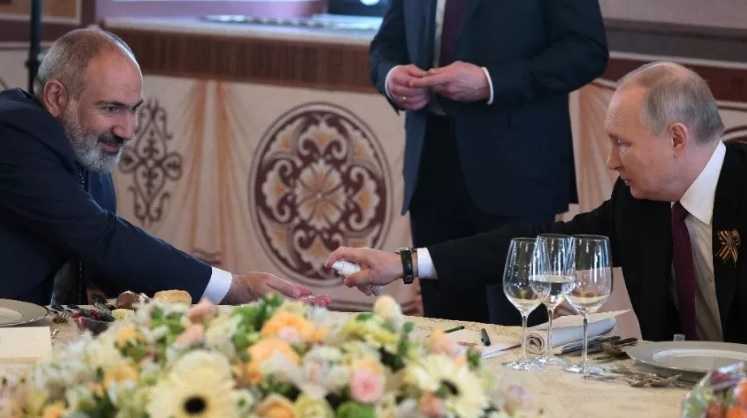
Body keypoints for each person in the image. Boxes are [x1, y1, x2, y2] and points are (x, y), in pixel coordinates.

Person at [328, 62, 747, 343]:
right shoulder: (640, 202)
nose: (611, 161)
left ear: (676, 138)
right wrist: (404, 263)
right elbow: (536, 247)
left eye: (622, 143)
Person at [0, 28, 330, 307]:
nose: (128, 130)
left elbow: (110, 262)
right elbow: (101, 238)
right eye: (112, 108)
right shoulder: (12, 132)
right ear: (56, 98)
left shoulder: (85, 151)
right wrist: (232, 288)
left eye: (134, 110)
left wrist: (219, 303)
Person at [369, 0, 609, 322]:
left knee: (517, 326)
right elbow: (385, 45)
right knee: (444, 330)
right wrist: (390, 76)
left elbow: (586, 51)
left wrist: (490, 81)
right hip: (430, 166)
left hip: (519, 170)